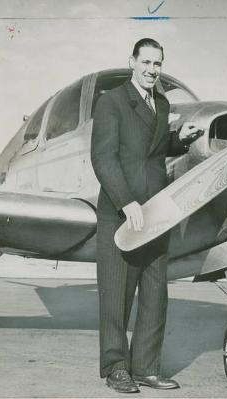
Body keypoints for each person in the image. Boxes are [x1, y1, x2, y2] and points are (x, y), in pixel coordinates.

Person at [91, 38, 201, 393]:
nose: (153, 70)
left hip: (157, 211)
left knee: (155, 292)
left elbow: (151, 148)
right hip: (122, 213)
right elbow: (103, 158)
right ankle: (115, 367)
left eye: (158, 64)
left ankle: (146, 368)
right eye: (147, 62)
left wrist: (178, 139)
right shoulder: (111, 102)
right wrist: (125, 202)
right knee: (116, 294)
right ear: (132, 62)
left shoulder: (163, 104)